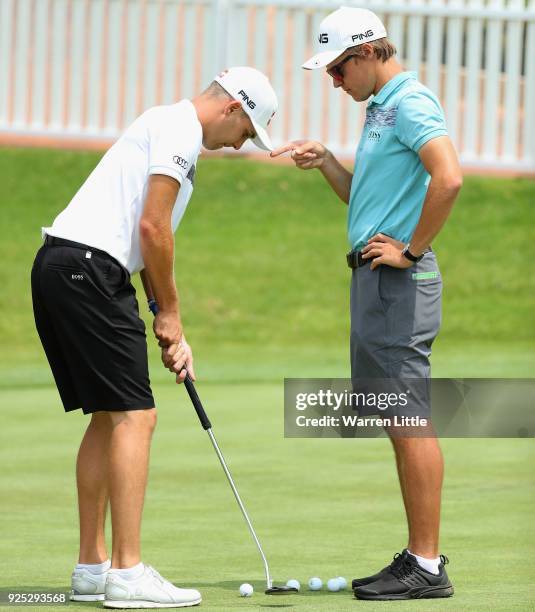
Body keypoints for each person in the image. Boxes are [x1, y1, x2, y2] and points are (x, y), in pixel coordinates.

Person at [31, 66, 277, 609]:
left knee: (109, 414)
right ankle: (127, 572)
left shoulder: (165, 124)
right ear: (234, 108)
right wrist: (171, 314)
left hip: (63, 264)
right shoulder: (181, 131)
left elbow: (144, 239)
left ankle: (93, 568)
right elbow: (153, 228)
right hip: (90, 269)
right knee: (137, 417)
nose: (240, 146)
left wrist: (168, 325)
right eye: (247, 132)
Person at [271, 6, 462, 601]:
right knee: (394, 416)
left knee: (409, 417)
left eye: (336, 69)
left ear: (367, 53)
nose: (333, 81)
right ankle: (417, 556)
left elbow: (449, 177)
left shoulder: (409, 102)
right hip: (374, 283)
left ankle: (426, 566)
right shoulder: (381, 109)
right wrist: (328, 161)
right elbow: (367, 205)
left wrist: (410, 250)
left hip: (398, 284)